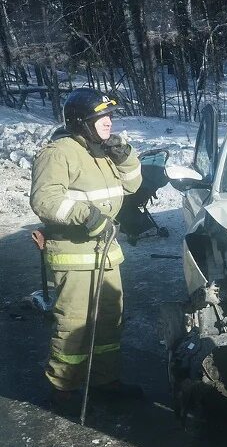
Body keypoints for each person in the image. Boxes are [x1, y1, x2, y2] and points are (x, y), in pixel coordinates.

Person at [29, 88, 144, 415]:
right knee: (74, 324)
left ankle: (104, 381)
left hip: (106, 253)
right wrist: (88, 216)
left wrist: (125, 156)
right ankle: (62, 389)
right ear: (81, 123)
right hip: (75, 255)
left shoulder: (103, 149)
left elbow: (133, 185)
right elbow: (45, 199)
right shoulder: (59, 152)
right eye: (101, 118)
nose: (108, 123)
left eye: (109, 117)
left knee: (109, 320)